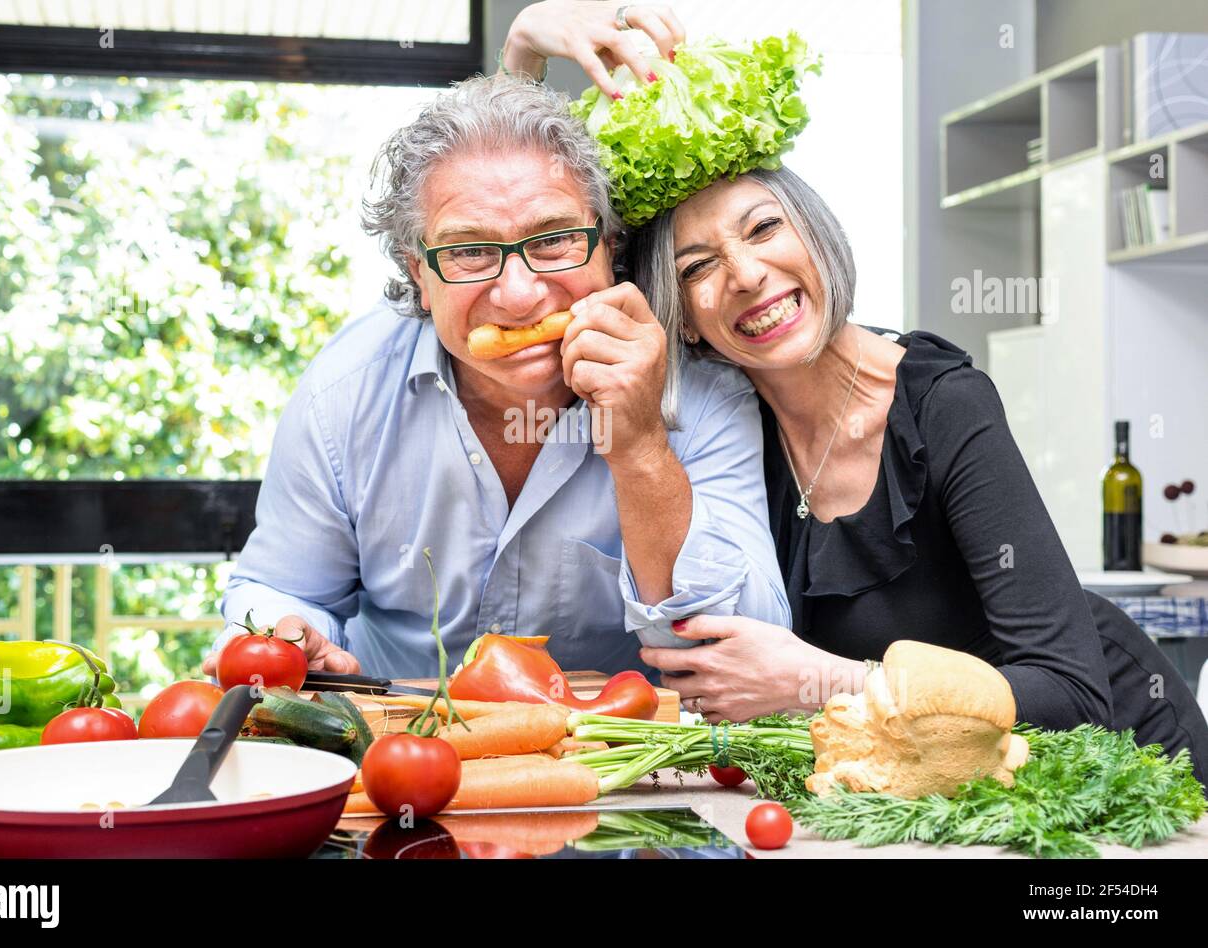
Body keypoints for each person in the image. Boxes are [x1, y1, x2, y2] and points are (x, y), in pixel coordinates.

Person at [504, 1, 1208, 785]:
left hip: (1117, 776)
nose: (744, 274)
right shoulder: (724, 428)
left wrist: (820, 680)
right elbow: (535, 253)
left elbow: (1074, 695)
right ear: (684, 320)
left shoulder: (941, 403)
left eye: (765, 228)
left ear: (816, 233)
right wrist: (524, 47)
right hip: (939, 793)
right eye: (698, 267)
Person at [201, 72, 789, 680]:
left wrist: (640, 446)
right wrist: (288, 633)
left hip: (611, 760)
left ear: (609, 249)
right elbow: (284, 590)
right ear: (418, 274)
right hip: (397, 748)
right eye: (468, 252)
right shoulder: (343, 392)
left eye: (556, 240)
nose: (517, 295)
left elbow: (746, 652)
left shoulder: (703, 393)